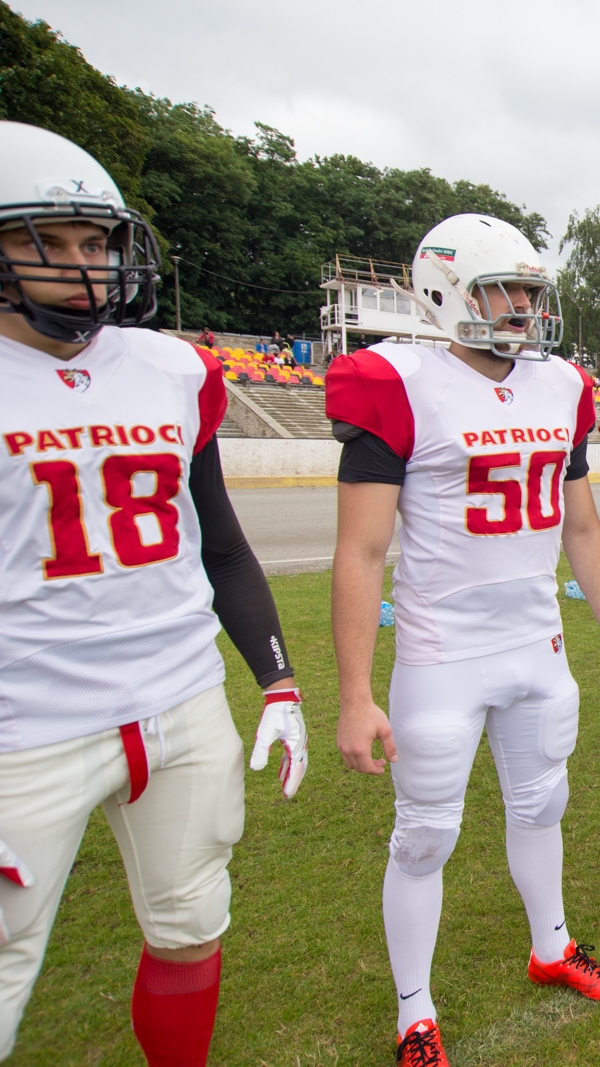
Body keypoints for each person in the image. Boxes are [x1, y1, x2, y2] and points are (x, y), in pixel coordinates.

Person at [0, 120, 306, 1066]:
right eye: (52, 242)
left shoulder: (172, 369)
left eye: (98, 244)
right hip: (24, 722)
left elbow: (221, 544)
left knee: (190, 922)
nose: (88, 268)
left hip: (179, 700)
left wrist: (278, 680)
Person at [329, 213, 600, 1065]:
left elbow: (580, 524)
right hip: (440, 653)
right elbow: (359, 549)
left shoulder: (559, 384)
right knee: (426, 833)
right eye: (507, 289)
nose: (524, 308)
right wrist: (354, 695)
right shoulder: (397, 380)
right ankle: (413, 1008)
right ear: (445, 289)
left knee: (545, 803)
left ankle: (552, 944)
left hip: (535, 642)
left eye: (533, 292)